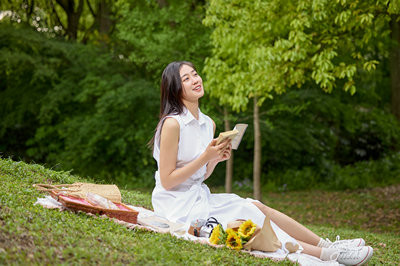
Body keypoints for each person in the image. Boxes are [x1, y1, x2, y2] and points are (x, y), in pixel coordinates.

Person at [150, 61, 373, 265]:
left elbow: (199, 176)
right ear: (175, 89)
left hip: (199, 196)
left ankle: (327, 244)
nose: (195, 80)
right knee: (248, 215)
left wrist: (215, 159)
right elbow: (168, 181)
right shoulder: (172, 124)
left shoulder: (209, 123)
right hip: (176, 206)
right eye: (186, 79)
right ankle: (330, 256)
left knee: (256, 205)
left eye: (195, 74)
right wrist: (206, 157)